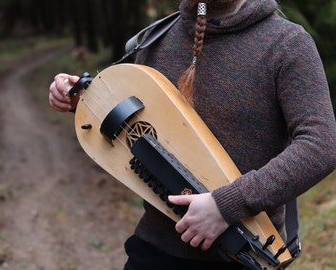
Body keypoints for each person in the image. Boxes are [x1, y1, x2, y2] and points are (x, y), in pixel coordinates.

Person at [49, 0, 336, 269]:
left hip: (245, 253)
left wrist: (225, 205)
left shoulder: (287, 44)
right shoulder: (155, 38)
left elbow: (322, 144)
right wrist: (81, 99)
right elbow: (135, 118)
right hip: (154, 250)